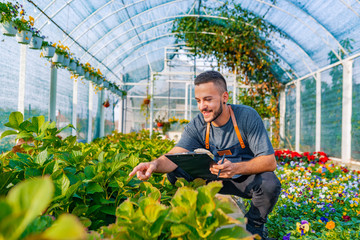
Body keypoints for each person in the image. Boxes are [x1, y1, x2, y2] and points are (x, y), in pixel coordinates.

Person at [129, 70, 281, 239]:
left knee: (269, 183)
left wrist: (236, 167)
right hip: (213, 178)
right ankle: (197, 215)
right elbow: (175, 154)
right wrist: (154, 164)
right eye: (198, 101)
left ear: (224, 97)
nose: (202, 106)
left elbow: (269, 161)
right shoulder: (199, 124)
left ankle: (254, 227)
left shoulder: (246, 116)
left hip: (243, 178)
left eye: (208, 99)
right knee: (175, 170)